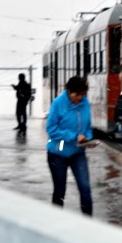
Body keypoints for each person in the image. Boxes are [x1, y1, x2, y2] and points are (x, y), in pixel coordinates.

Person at [46, 76, 93, 215]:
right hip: (57, 154)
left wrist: (88, 138)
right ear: (69, 91)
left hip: (78, 153)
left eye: (82, 94)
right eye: (76, 94)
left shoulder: (85, 104)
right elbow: (51, 129)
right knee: (60, 190)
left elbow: (88, 127)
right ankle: (56, 223)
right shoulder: (58, 103)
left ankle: (88, 225)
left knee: (85, 188)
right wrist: (73, 136)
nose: (79, 98)